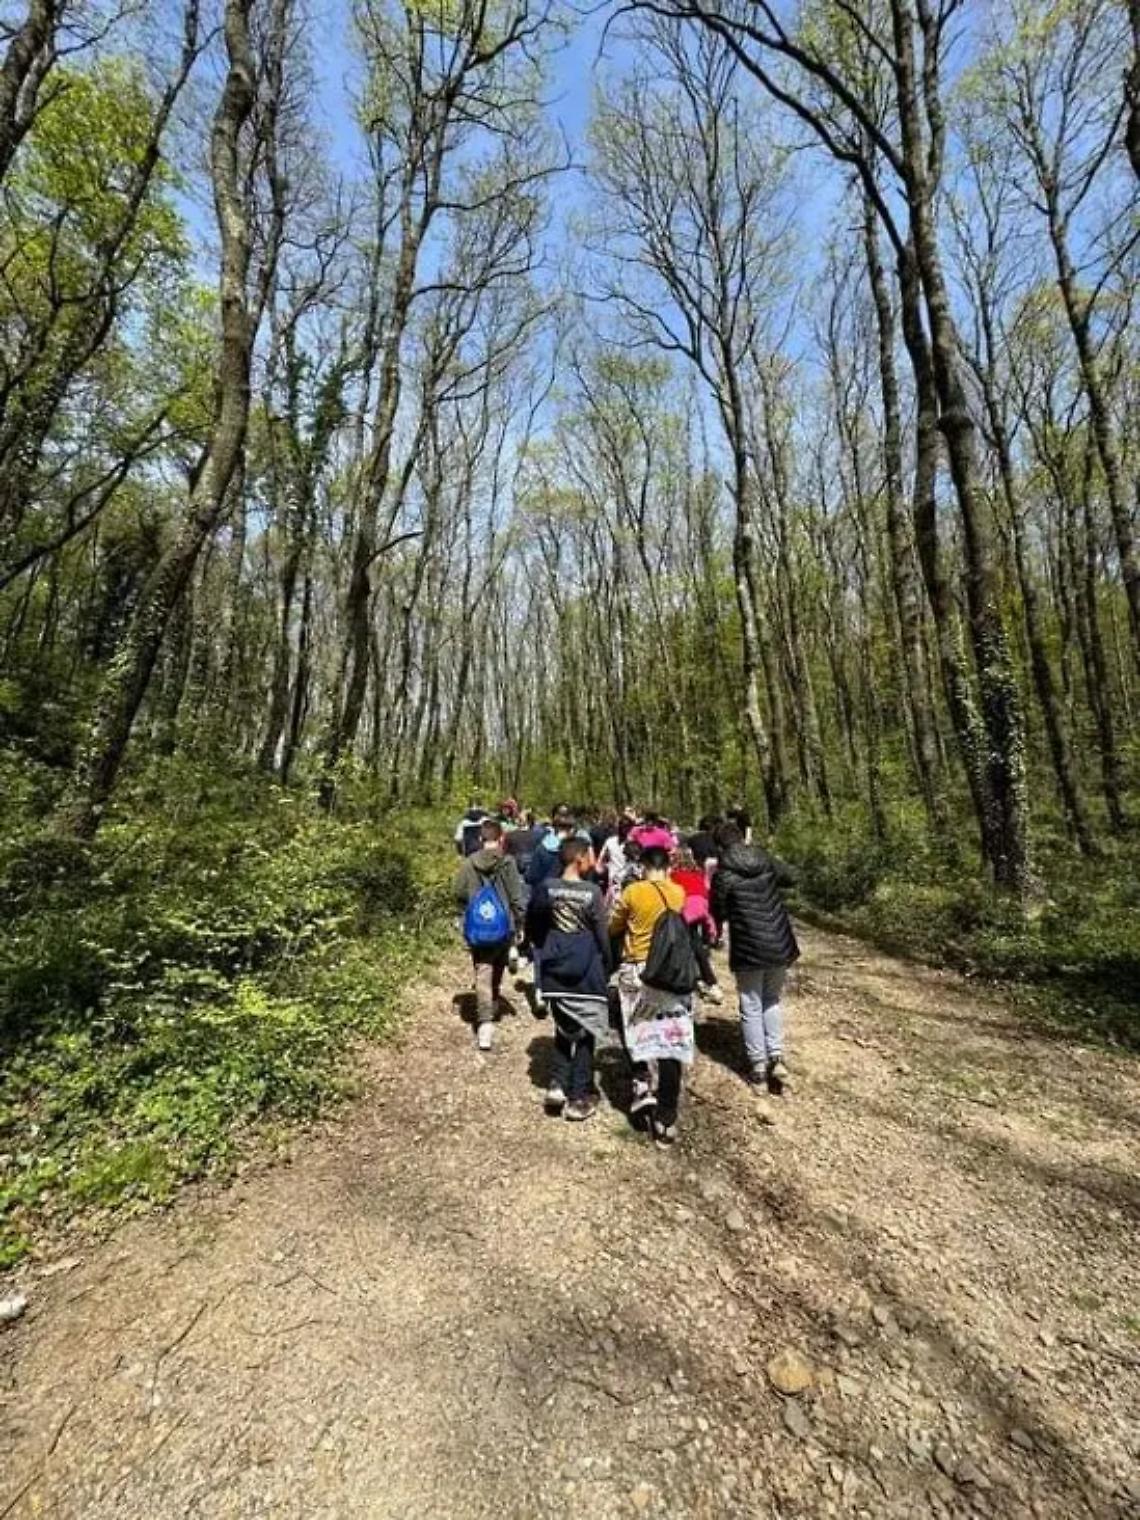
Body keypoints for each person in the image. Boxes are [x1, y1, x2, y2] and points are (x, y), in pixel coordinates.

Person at [609, 845, 695, 1146]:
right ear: (667, 866)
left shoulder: (633, 892)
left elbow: (614, 925)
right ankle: (667, 1117)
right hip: (671, 970)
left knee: (635, 1028)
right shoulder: (678, 892)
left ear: (643, 866)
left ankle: (642, 1083)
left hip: (638, 970)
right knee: (671, 1038)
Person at [710, 822, 798, 1102]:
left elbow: (718, 910)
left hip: (749, 945)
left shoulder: (724, 874)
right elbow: (792, 877)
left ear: (721, 847)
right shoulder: (764, 858)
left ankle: (758, 1068)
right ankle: (777, 1058)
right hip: (779, 941)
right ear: (742, 839)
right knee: (772, 999)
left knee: (751, 1004)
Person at [527, 838, 612, 1121]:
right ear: (579, 859)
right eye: (589, 855)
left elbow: (534, 925)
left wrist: (546, 948)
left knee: (564, 1027)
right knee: (587, 1032)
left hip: (554, 970)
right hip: (585, 970)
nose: (592, 860)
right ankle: (578, 1095)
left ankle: (557, 1084)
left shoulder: (546, 888)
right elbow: (602, 933)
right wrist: (608, 965)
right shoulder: (591, 893)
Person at [454, 819, 525, 1050]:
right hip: (505, 926)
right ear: (501, 838)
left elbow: (458, 893)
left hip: (477, 927)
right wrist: (521, 922)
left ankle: (485, 1024)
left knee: (481, 968)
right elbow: (516, 896)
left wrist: (468, 906)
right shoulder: (507, 862)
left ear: (480, 839)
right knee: (498, 965)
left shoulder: (468, 863)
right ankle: (493, 1002)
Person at [670, 846, 724, 1005]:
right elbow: (706, 890)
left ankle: (682, 979)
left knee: (681, 943)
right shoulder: (698, 874)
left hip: (685, 910)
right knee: (697, 944)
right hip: (702, 909)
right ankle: (711, 983)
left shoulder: (674, 875)